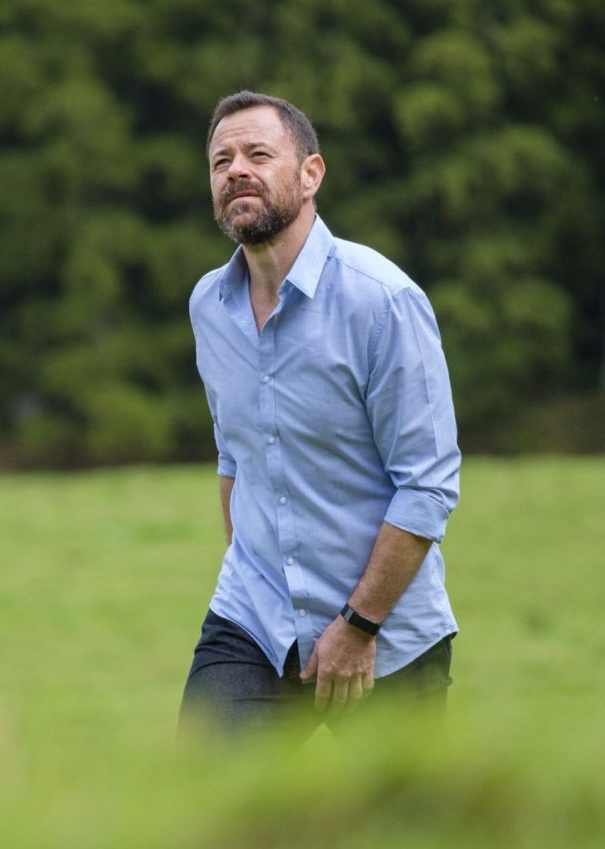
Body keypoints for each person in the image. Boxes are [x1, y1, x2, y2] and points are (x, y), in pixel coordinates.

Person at [179, 91, 460, 736]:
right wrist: (250, 572)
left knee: (402, 806)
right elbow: (233, 457)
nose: (236, 171)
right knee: (206, 796)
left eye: (258, 155)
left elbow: (427, 485)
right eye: (221, 161)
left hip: (388, 638)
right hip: (253, 623)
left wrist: (359, 625)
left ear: (311, 174)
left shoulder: (383, 301)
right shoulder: (207, 307)